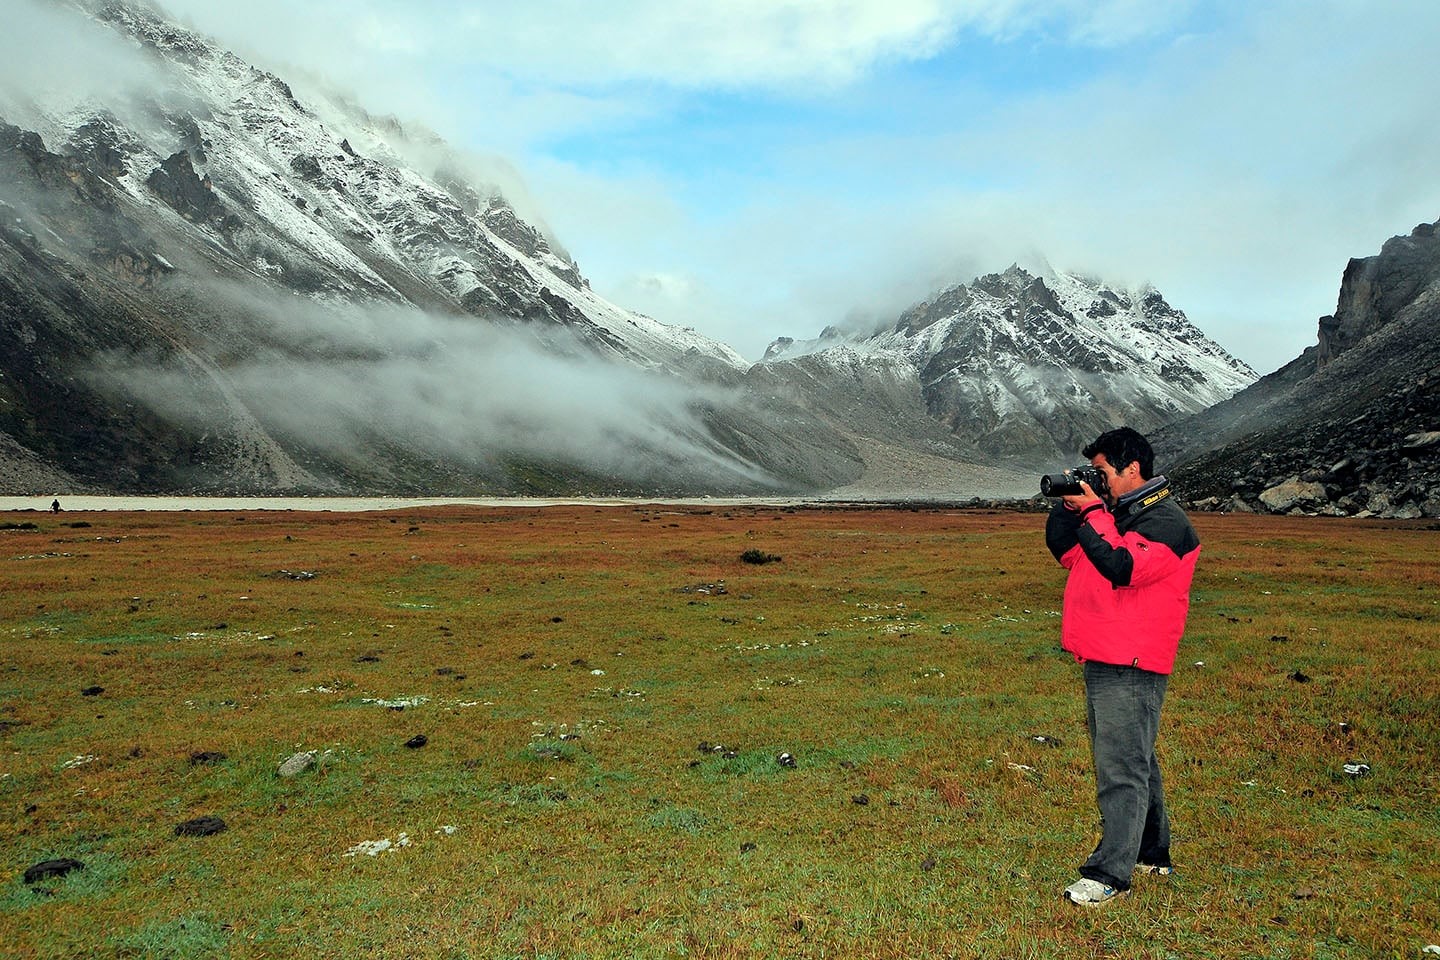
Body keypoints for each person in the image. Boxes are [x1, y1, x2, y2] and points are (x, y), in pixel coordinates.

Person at [1045, 427, 1200, 907]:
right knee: (1137, 757)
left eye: (1104, 472)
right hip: (1106, 652)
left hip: (1131, 658)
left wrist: (1094, 512)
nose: (1100, 481)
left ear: (1133, 468)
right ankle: (1152, 853)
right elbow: (1069, 553)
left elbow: (1122, 567)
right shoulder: (1123, 515)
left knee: (1121, 765)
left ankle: (1110, 873)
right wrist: (1070, 504)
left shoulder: (1165, 520)